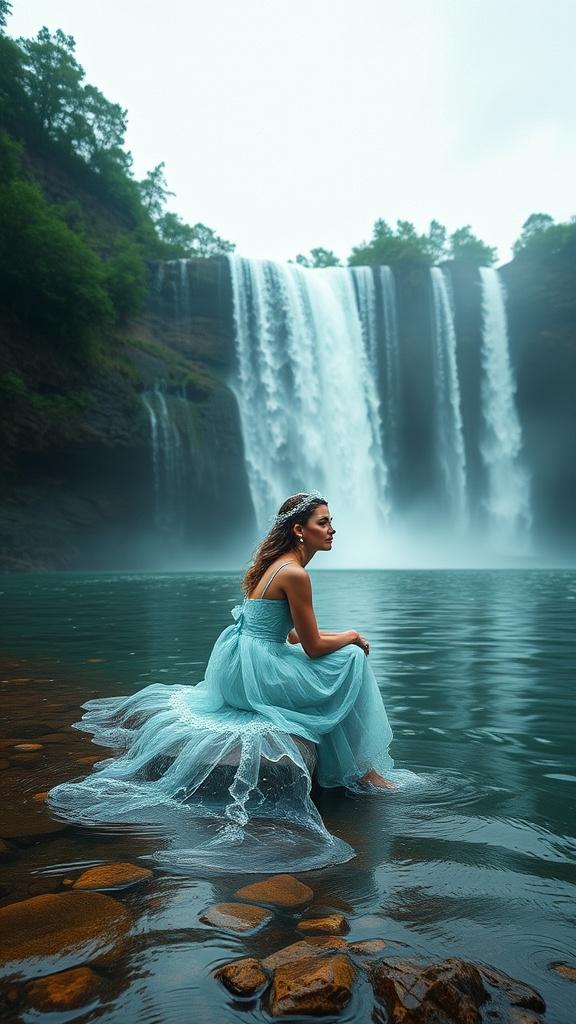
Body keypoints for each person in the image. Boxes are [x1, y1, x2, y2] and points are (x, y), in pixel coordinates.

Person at [48, 492, 402, 871]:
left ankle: (353, 770)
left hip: (237, 670)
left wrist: (341, 637)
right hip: (257, 674)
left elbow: (296, 638)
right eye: (323, 522)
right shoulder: (295, 573)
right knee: (349, 659)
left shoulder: (275, 565)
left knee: (339, 657)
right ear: (299, 530)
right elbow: (314, 648)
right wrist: (350, 634)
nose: (333, 529)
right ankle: (363, 771)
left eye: (331, 521)